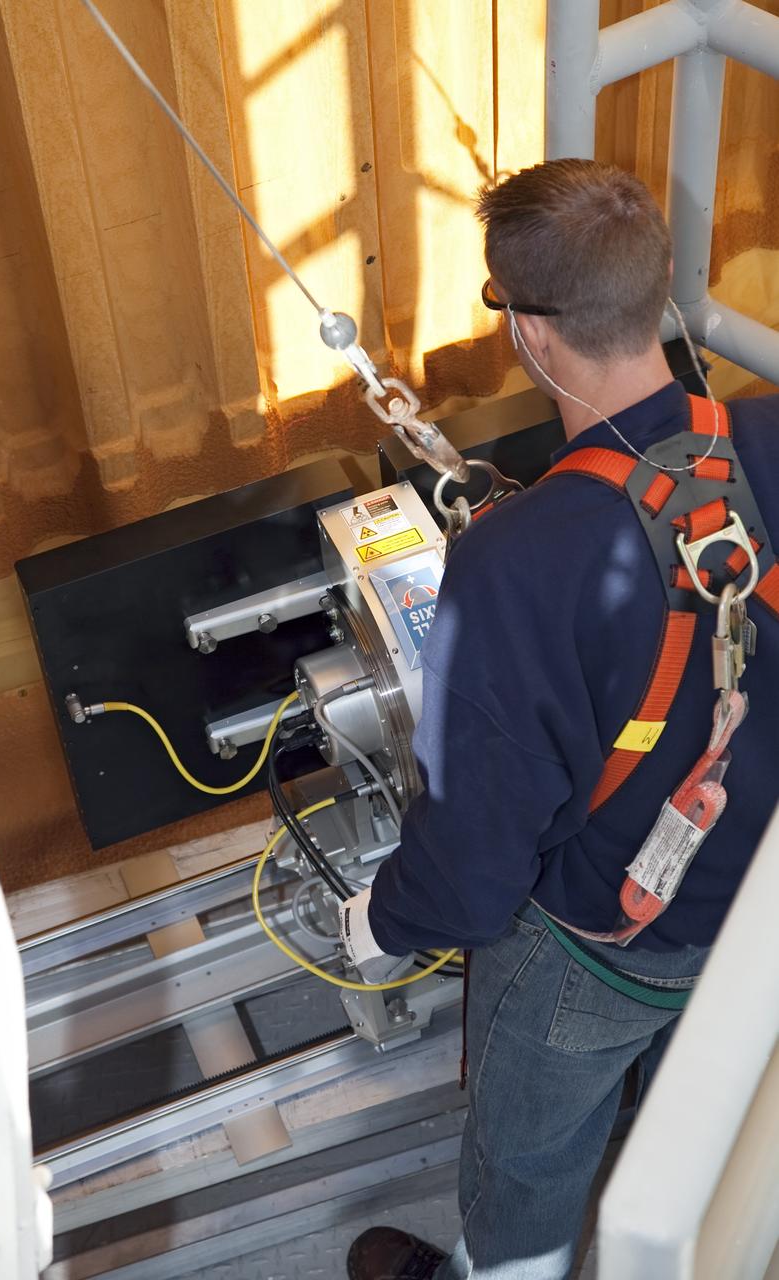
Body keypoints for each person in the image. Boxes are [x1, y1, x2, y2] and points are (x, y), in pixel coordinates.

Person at [342, 159, 779, 1280]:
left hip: (604, 947)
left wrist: (386, 917)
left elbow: (477, 860)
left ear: (531, 334)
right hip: (755, 915)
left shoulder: (510, 564)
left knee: (525, 1160)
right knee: (713, 1117)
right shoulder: (770, 442)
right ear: (658, 292)